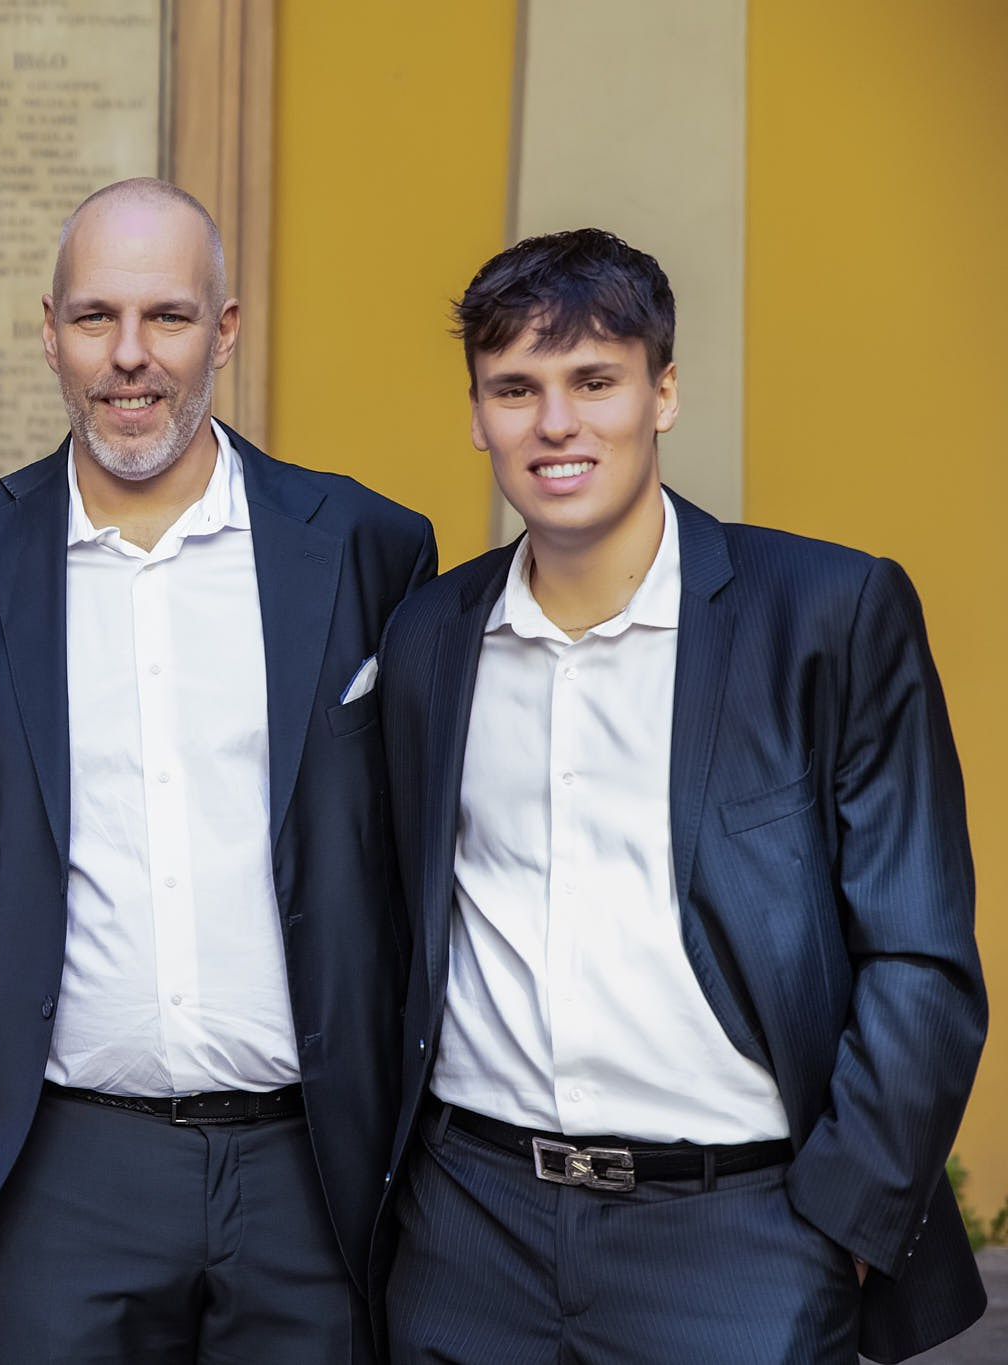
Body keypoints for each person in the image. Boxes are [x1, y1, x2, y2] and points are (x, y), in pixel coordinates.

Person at [377, 229, 988, 1363]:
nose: (554, 423)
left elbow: (921, 955)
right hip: (469, 1231)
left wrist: (839, 1228)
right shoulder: (427, 638)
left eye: (593, 382)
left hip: (737, 1239)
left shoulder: (825, 614)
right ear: (476, 416)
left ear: (662, 393)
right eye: (514, 389)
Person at [0, 179, 436, 1362]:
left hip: (312, 1174)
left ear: (222, 330)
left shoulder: (368, 547)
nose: (128, 356)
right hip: (56, 1176)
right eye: (94, 318)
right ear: (50, 333)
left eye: (166, 317)